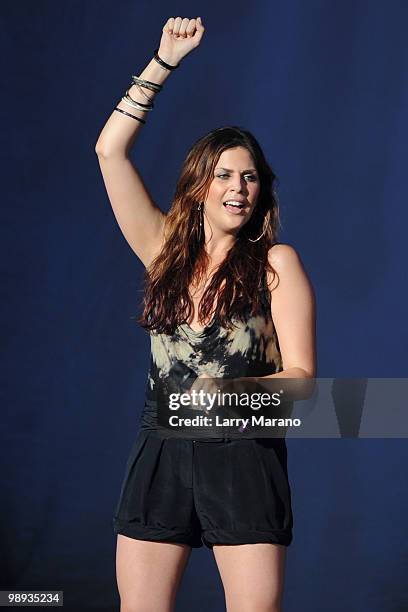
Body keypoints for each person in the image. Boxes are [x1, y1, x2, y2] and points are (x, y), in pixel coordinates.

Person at [95, 16, 316, 612]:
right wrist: (163, 61)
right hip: (160, 446)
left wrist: (228, 391)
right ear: (199, 185)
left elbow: (302, 384)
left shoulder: (277, 264)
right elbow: (109, 150)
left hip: (243, 455)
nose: (237, 187)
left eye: (249, 177)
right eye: (223, 174)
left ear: (261, 191)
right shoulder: (161, 250)